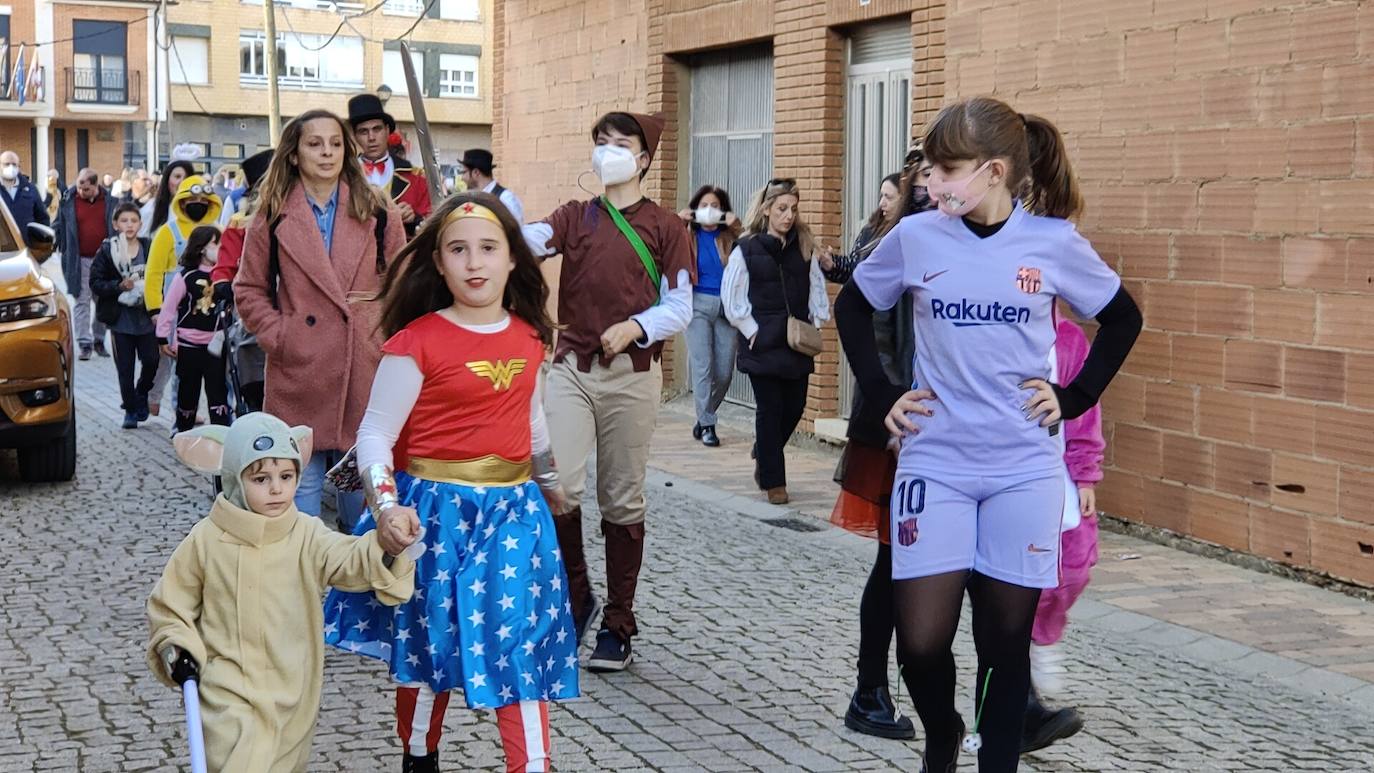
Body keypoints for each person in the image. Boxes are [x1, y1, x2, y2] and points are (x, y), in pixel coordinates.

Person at [834, 96, 1143, 773]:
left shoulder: (1053, 245)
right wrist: (883, 392)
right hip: (935, 462)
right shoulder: (916, 237)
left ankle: (993, 761)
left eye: (947, 169)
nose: (931, 181)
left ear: (994, 171)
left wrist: (1075, 395)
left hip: (1024, 468)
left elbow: (1123, 319)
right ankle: (942, 729)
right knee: (920, 641)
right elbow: (854, 303)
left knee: (1004, 644)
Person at [324, 192, 580, 773]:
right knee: (429, 646)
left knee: (518, 647)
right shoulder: (416, 342)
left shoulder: (528, 337)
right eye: (458, 250)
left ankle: (533, 766)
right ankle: (419, 756)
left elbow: (531, 420)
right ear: (438, 263)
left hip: (515, 517)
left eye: (488, 248)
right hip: (432, 515)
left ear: (513, 258)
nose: (474, 263)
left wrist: (551, 482)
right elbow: (374, 436)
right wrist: (386, 507)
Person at [147, 413, 418, 773]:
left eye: (286, 477)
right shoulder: (206, 539)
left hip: (292, 689)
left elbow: (348, 559)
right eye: (261, 479)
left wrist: (385, 544)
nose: (276, 489)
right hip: (227, 692)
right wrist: (177, 645)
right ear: (234, 479)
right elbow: (171, 604)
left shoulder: (306, 534)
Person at [520, 111, 694, 672]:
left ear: (644, 160)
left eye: (621, 144)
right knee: (555, 485)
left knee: (621, 498)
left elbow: (681, 306)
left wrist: (638, 326)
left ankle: (619, 622)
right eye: (600, 142)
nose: (607, 151)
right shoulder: (575, 216)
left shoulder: (667, 228)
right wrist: (486, 223)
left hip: (632, 375)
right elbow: (529, 241)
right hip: (570, 368)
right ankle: (576, 595)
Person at [233, 109, 406, 529]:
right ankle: (304, 595)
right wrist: (282, 336)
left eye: (334, 142)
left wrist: (377, 333)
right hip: (299, 373)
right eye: (314, 143)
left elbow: (402, 284)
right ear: (294, 153)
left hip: (363, 370)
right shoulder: (272, 215)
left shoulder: (379, 211)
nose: (326, 152)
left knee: (363, 518)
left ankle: (360, 595)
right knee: (297, 515)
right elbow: (248, 289)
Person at [824, 152, 935, 742]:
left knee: (921, 568)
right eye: (926, 185)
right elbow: (882, 337)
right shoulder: (903, 246)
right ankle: (869, 691)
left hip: (933, 425)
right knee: (897, 563)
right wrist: (894, 406)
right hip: (902, 426)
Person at [720, 178, 831, 506]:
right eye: (782, 209)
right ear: (767, 210)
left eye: (793, 209)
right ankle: (774, 481)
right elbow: (733, 297)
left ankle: (764, 451)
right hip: (762, 343)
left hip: (796, 342)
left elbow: (816, 286)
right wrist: (752, 331)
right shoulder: (747, 248)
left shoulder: (803, 244)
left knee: (794, 407)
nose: (788, 215)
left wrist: (816, 321)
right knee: (769, 410)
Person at [1020, 314, 1103, 754]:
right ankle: (1018, 700)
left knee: (1074, 564)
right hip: (1008, 472)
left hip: (1058, 471)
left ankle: (1042, 632)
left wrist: (1086, 474)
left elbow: (1086, 410)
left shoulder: (1069, 339)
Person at [210, 148, 274, 412]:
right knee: (250, 356)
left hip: (297, 304)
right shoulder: (240, 223)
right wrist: (223, 282)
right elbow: (224, 264)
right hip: (253, 306)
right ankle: (254, 406)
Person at [678, 185, 740, 448]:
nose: (709, 210)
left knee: (724, 372)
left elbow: (753, 250)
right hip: (697, 305)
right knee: (703, 367)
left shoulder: (729, 237)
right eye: (704, 205)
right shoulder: (687, 235)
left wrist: (738, 227)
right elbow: (662, 244)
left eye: (715, 206)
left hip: (727, 307)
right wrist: (678, 222)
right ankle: (708, 426)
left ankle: (705, 416)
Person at [156, 225, 231, 433]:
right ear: (201, 248)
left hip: (216, 346)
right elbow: (169, 309)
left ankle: (222, 435)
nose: (219, 248)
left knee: (218, 392)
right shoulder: (186, 277)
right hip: (189, 346)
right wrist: (162, 337)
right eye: (215, 244)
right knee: (187, 393)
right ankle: (184, 432)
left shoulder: (224, 278)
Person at [89, 203, 158, 429]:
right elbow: (96, 282)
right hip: (121, 319)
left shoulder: (148, 247)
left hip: (146, 316)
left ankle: (141, 393)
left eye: (134, 220)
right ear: (116, 224)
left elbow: (159, 275)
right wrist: (118, 286)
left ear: (140, 223)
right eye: (125, 221)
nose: (129, 225)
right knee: (125, 368)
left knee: (151, 360)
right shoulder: (108, 250)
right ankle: (130, 408)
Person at [53, 168, 118, 360]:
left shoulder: (111, 202)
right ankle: (84, 343)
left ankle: (99, 339)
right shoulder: (68, 202)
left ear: (95, 185)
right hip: (78, 260)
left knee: (102, 300)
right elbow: (58, 225)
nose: (81, 191)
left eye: (86, 188)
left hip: (105, 260)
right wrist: (54, 243)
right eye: (79, 186)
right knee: (81, 301)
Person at [348, 93, 432, 237]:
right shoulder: (344, 177)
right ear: (354, 136)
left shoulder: (417, 178)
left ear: (387, 131)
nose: (371, 138)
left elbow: (432, 229)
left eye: (377, 129)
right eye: (363, 132)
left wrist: (413, 219)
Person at [458, 148, 525, 223]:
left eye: (463, 172)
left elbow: (515, 232)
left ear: (476, 172)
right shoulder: (473, 198)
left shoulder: (506, 199)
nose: (462, 178)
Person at [0, 150, 51, 243]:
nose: (11, 167)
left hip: (25, 250)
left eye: (14, 164)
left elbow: (42, 219)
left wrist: (39, 243)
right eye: (6, 164)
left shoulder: (30, 189)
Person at [141, 160, 195, 238]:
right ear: (167, 180)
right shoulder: (152, 208)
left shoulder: (199, 208)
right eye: (177, 177)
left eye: (187, 178)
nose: (182, 182)